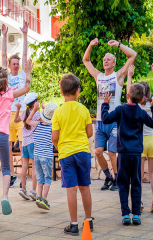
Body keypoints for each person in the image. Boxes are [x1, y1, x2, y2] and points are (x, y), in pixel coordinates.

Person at [101, 83, 153, 226]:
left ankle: (126, 214)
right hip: (136, 154)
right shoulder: (141, 112)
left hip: (122, 154)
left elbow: (105, 119)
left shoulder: (120, 110)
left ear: (127, 96)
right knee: (136, 183)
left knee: (122, 184)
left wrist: (105, 104)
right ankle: (137, 215)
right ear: (141, 100)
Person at [83, 38, 137, 191]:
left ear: (114, 63)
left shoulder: (118, 76)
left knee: (113, 153)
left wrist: (119, 45)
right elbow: (86, 60)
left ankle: (119, 180)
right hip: (100, 122)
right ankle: (108, 177)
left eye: (109, 59)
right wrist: (90, 45)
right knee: (98, 152)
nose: (105, 61)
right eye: (104, 59)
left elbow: (133, 55)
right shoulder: (98, 76)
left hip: (114, 121)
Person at [0, 60, 33, 215]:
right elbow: (27, 88)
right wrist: (28, 71)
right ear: (6, 83)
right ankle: (4, 196)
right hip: (1, 136)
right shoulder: (9, 95)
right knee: (5, 168)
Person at [51, 73, 94, 235]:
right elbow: (89, 132)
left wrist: (60, 145)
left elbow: (54, 137)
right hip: (83, 152)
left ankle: (74, 225)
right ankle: (88, 222)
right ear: (78, 92)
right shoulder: (83, 109)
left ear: (61, 93)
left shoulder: (58, 112)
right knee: (85, 187)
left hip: (66, 154)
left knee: (71, 189)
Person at [127, 64, 153, 213]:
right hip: (152, 140)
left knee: (139, 174)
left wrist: (129, 76)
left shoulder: (136, 104)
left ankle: (139, 200)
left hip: (140, 141)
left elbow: (129, 91)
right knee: (152, 173)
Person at [2, 21, 29, 187]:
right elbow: (3, 56)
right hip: (8, 115)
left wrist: (25, 34)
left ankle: (23, 179)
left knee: (24, 147)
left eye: (18, 63)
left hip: (22, 114)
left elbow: (25, 55)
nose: (17, 65)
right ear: (9, 66)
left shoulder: (22, 75)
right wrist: (4, 36)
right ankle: (12, 176)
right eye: (14, 63)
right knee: (9, 148)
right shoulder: (6, 75)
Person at [26, 101, 57, 211]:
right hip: (46, 156)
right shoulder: (52, 127)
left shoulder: (37, 124)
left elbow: (27, 121)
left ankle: (39, 198)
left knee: (40, 178)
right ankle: (44, 199)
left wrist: (34, 110)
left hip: (37, 156)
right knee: (48, 178)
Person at [13, 92, 39, 201]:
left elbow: (15, 120)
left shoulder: (25, 113)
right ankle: (33, 191)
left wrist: (18, 109)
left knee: (24, 166)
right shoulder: (37, 114)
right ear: (35, 103)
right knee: (34, 168)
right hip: (33, 143)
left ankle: (23, 189)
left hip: (24, 143)